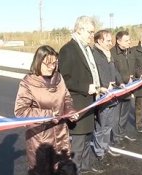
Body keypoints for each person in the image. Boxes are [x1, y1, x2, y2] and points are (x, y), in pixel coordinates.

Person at [14, 45, 79, 175]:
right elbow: (20, 111)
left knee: (64, 169)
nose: (52, 67)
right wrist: (48, 115)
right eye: (48, 63)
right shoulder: (28, 82)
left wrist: (70, 111)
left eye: (54, 63)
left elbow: (66, 98)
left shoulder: (59, 78)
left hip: (61, 136)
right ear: (38, 62)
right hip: (41, 140)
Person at [58, 16, 104, 174]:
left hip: (89, 103)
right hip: (77, 105)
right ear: (79, 30)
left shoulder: (87, 49)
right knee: (77, 144)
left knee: (86, 140)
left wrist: (99, 87)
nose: (92, 35)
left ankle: (85, 168)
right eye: (90, 32)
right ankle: (75, 170)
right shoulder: (68, 50)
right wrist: (86, 87)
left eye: (93, 32)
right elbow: (63, 79)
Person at [91, 30, 123, 161]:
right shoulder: (94, 55)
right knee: (101, 126)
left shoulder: (108, 54)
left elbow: (114, 71)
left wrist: (120, 82)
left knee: (108, 125)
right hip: (102, 96)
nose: (111, 43)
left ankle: (105, 147)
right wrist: (102, 87)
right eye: (108, 40)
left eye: (111, 40)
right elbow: (95, 74)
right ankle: (99, 152)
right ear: (99, 41)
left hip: (112, 94)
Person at [110, 30, 136, 148]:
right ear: (119, 41)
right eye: (126, 40)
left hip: (128, 89)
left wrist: (135, 77)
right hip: (118, 88)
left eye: (129, 40)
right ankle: (115, 138)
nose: (129, 42)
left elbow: (134, 67)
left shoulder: (129, 52)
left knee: (125, 114)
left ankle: (122, 133)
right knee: (116, 115)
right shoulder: (112, 53)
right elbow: (114, 71)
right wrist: (125, 79)